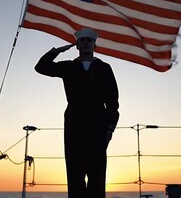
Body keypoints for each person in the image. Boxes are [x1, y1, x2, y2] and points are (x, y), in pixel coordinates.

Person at [35, 28, 120, 198]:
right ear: (77, 45)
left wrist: (110, 128)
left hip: (98, 124)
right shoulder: (68, 66)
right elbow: (41, 67)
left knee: (97, 174)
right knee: (75, 173)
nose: (86, 42)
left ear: (94, 44)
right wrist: (56, 51)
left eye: (89, 40)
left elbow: (112, 101)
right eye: (82, 40)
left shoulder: (104, 68)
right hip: (74, 124)